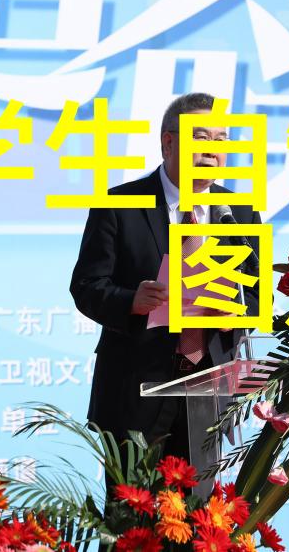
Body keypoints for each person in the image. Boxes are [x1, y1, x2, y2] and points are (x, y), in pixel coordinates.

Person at [69, 92, 262, 486]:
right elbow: (86, 286)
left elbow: (259, 295)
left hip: (209, 392)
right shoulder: (120, 204)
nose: (212, 150)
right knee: (132, 514)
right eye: (201, 137)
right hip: (134, 390)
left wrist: (236, 316)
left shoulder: (238, 211)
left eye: (221, 139)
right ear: (168, 142)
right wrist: (131, 301)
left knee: (202, 516)